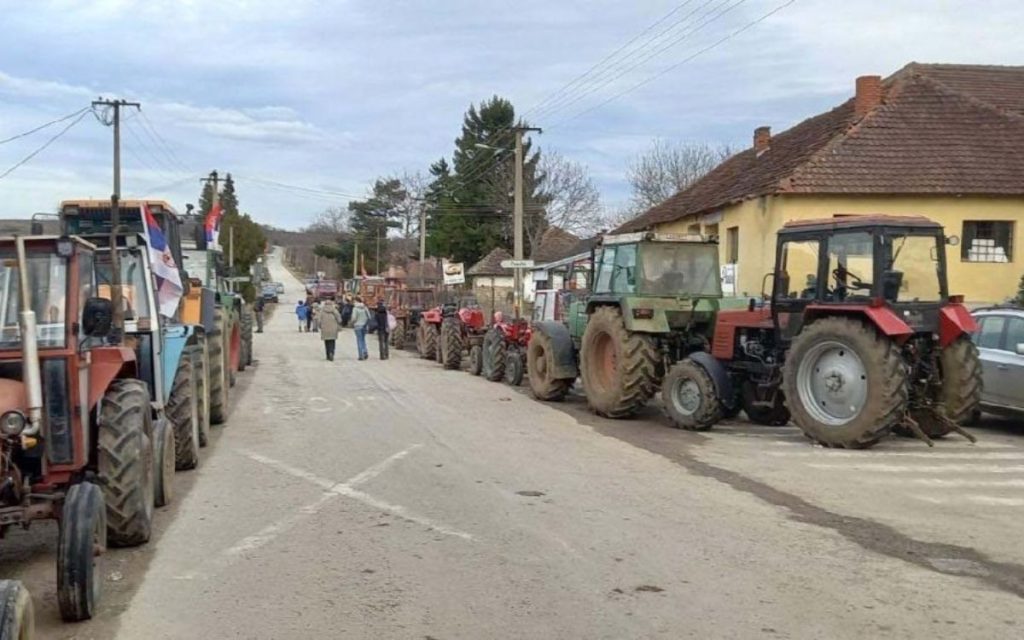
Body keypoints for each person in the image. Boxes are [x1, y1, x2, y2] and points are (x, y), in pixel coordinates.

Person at [350, 296, 370, 361]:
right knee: (363, 339)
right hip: (364, 326)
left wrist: (352, 322)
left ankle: (361, 355)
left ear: (356, 301)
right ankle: (365, 352)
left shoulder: (355, 308)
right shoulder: (365, 308)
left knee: (359, 340)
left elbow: (354, 318)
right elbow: (369, 317)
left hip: (358, 326)